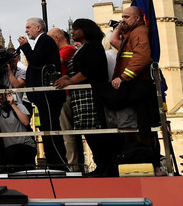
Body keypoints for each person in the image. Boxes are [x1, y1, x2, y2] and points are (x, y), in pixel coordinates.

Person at [54, 19, 114, 176]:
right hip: (81, 98)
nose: (72, 32)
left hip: (90, 97)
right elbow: (77, 69)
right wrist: (66, 77)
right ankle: (101, 167)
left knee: (95, 132)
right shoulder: (82, 49)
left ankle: (104, 168)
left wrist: (69, 81)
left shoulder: (93, 46)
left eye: (76, 29)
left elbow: (91, 70)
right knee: (88, 132)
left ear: (85, 30)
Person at [107, 6, 159, 165]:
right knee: (137, 126)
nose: (123, 19)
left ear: (137, 18)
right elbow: (114, 42)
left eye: (127, 17)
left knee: (142, 126)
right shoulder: (130, 35)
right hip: (133, 85)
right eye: (122, 16)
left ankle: (149, 159)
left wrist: (123, 77)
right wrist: (118, 27)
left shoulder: (140, 32)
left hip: (138, 86)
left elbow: (142, 57)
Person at [18, 17, 67, 168]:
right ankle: (54, 162)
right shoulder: (43, 41)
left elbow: (35, 61)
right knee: (47, 128)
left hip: (48, 95)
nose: (26, 30)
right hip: (44, 96)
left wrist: (25, 47)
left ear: (38, 28)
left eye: (28, 27)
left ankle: (58, 163)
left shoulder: (45, 40)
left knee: (51, 128)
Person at [48, 27, 82, 172]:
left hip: (65, 95)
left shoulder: (68, 49)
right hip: (61, 96)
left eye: (49, 40)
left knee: (67, 133)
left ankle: (72, 167)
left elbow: (55, 62)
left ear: (56, 38)